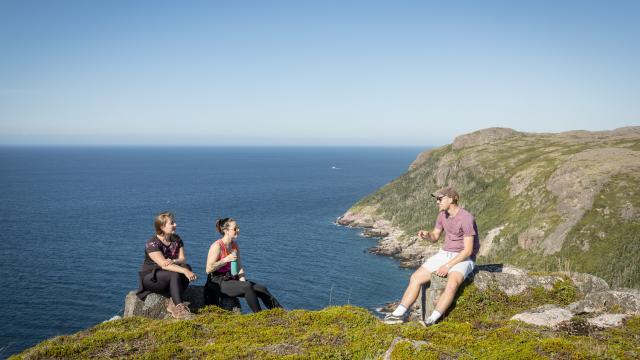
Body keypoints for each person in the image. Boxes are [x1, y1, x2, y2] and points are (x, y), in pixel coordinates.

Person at [383, 186, 480, 326]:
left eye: (440, 199)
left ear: (451, 199)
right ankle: (397, 314)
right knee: (415, 278)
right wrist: (427, 235)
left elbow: (468, 250)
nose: (437, 202)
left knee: (452, 284)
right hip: (444, 254)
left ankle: (431, 320)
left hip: (463, 257)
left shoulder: (466, 218)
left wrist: (448, 266)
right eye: (436, 199)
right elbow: (435, 236)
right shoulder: (442, 215)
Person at [204, 217, 282, 312]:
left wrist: (242, 281)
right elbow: (208, 269)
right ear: (226, 231)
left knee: (262, 289)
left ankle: (281, 312)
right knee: (247, 286)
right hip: (218, 282)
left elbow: (239, 267)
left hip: (231, 279)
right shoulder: (217, 246)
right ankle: (260, 316)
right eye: (235, 228)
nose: (238, 230)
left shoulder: (234, 245)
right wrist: (225, 260)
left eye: (238, 227)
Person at [136, 211, 198, 319]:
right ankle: (179, 307)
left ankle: (172, 302)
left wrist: (174, 262)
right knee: (176, 273)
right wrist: (184, 271)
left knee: (187, 267)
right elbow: (163, 265)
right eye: (172, 223)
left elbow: (182, 258)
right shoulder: (152, 243)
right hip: (152, 277)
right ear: (162, 227)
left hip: (168, 273)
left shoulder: (176, 239)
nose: (175, 225)